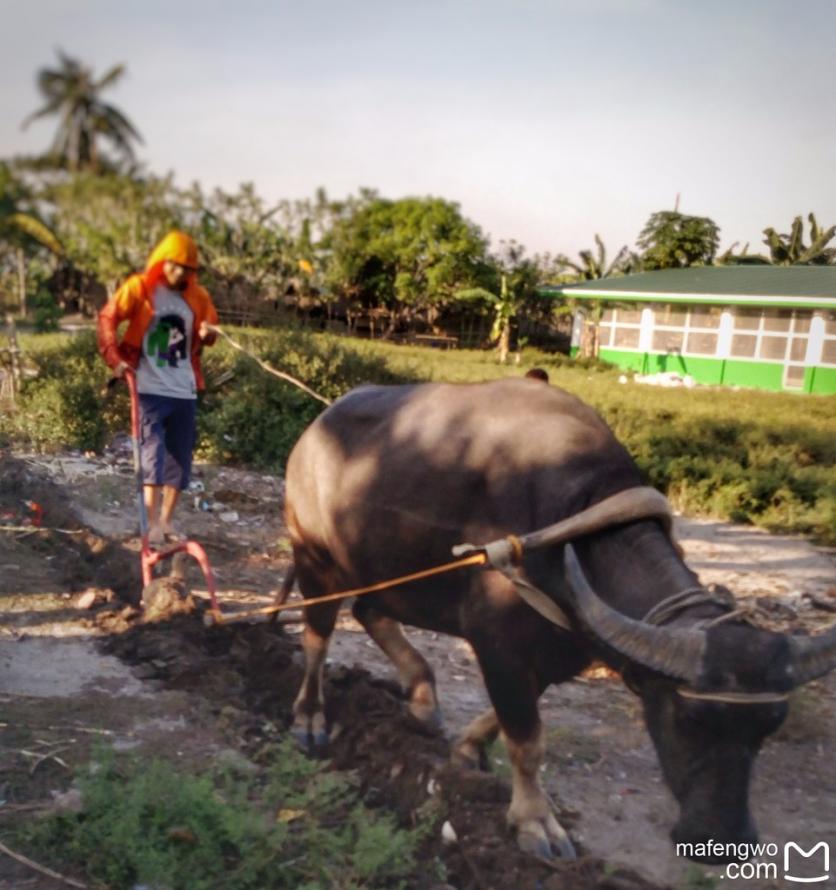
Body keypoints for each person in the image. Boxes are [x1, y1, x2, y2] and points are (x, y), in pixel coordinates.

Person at [97, 230, 218, 545]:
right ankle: (150, 524)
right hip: (149, 388)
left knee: (180, 458)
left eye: (187, 269)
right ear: (162, 262)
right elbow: (108, 317)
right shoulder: (141, 289)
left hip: (184, 390)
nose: (179, 273)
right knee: (152, 454)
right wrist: (115, 359)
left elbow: (211, 333)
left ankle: (166, 522)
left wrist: (207, 333)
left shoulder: (199, 298)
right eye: (174, 265)